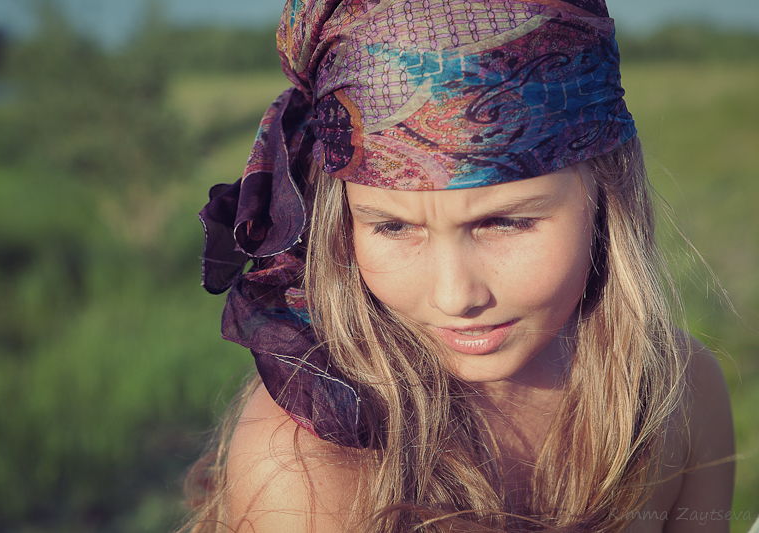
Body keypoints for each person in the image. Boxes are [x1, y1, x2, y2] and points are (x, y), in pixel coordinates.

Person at [184, 0, 735, 531]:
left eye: (504, 222)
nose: (456, 296)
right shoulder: (303, 463)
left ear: (606, 194)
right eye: (393, 227)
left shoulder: (677, 397)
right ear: (342, 222)